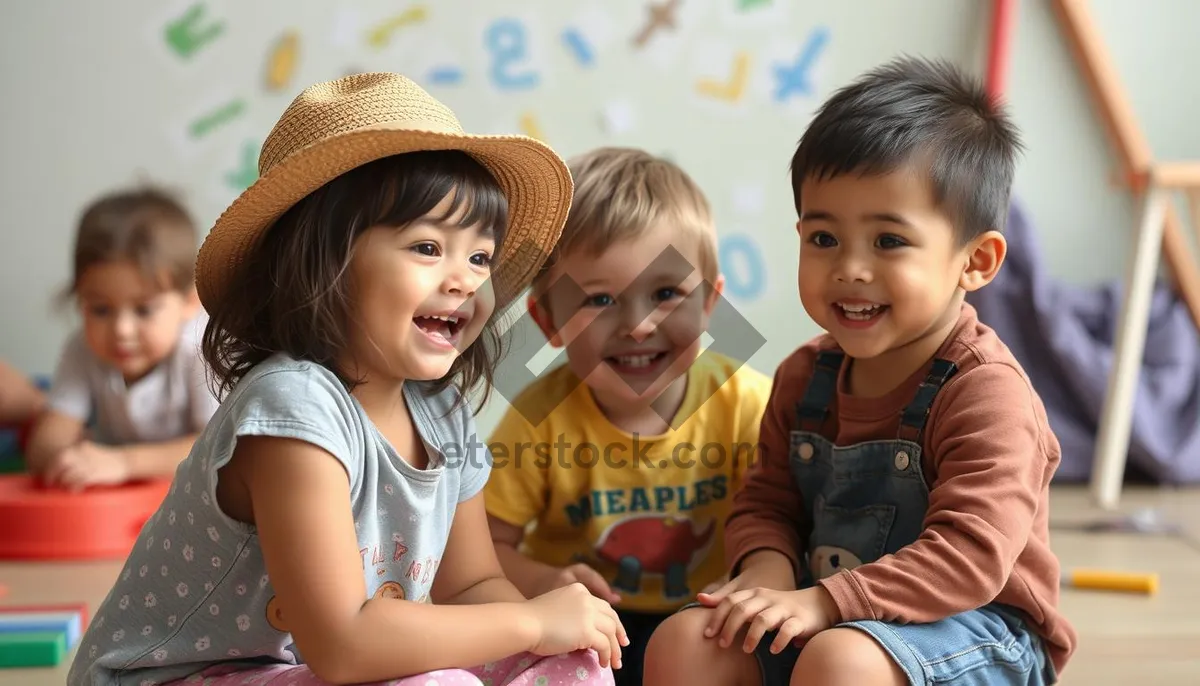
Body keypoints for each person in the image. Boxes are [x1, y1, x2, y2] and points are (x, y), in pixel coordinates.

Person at [67, 72, 625, 686]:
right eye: (427, 248)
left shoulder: (440, 412)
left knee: (571, 661)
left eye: (480, 256)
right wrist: (532, 623)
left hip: (307, 670)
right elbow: (343, 645)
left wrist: (545, 636)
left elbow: (470, 585)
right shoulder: (294, 409)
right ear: (325, 263)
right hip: (182, 677)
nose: (466, 278)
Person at [642, 56, 1078, 685]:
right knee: (689, 639)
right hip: (833, 618)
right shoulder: (805, 376)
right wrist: (766, 574)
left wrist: (825, 602)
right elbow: (767, 503)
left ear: (975, 260)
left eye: (888, 241)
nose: (849, 267)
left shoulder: (986, 393)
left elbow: (971, 556)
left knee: (840, 660)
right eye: (823, 239)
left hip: (977, 633)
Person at [485, 146, 774, 686]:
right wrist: (544, 579)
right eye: (599, 300)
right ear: (548, 320)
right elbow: (482, 550)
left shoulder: (747, 403)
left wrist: (760, 577)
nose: (638, 325)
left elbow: (786, 516)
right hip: (591, 628)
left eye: (666, 293)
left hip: (708, 618)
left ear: (710, 304)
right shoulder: (539, 420)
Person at [25, 187, 218, 490]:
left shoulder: (202, 349)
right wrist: (64, 457)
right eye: (100, 309)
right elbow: (48, 440)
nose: (121, 330)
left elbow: (217, 448)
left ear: (189, 302)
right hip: (124, 504)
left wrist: (124, 462)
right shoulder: (83, 348)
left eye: (143, 310)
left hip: (195, 499)